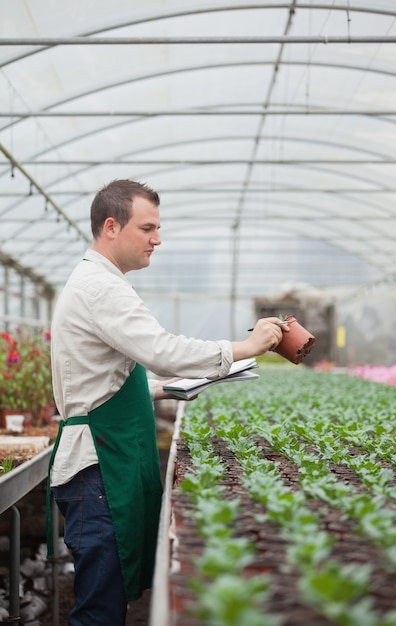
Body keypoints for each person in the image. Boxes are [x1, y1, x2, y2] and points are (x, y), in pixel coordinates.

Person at [46, 179, 288, 626]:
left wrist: (165, 386)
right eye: (148, 227)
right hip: (98, 465)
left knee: (106, 596)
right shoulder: (102, 288)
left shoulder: (97, 281)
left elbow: (104, 379)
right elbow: (162, 349)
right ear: (112, 227)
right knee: (99, 607)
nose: (158, 239)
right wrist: (246, 347)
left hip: (101, 460)